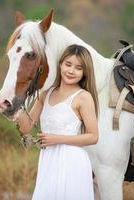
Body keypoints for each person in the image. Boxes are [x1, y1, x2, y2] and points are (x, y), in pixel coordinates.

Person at [14, 44, 99, 200]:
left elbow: (93, 137)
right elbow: (26, 128)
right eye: (68, 64)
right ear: (60, 64)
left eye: (78, 68)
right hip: (48, 160)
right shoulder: (46, 93)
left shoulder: (83, 97)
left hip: (73, 162)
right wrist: (17, 108)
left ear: (85, 72)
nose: (71, 71)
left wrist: (57, 139)